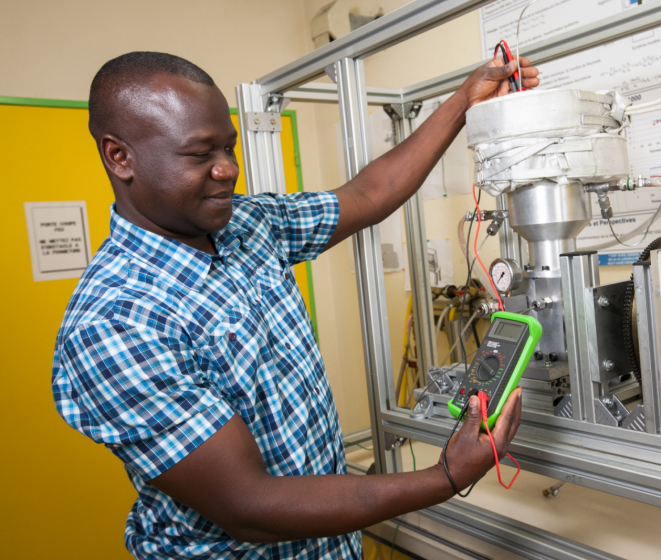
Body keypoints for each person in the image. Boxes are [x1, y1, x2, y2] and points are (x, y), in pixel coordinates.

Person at [52, 51, 540, 559]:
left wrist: (464, 102)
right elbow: (250, 505)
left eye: (229, 147)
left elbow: (372, 194)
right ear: (119, 157)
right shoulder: (114, 323)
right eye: (200, 154)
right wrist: (445, 476)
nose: (228, 170)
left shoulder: (248, 225)